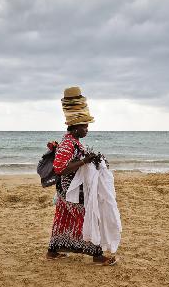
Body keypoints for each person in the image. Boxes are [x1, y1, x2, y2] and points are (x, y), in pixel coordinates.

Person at [46, 87, 117, 266]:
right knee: (88, 217)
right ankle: (97, 255)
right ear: (75, 127)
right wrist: (84, 161)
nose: (87, 129)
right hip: (70, 190)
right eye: (84, 126)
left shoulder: (73, 141)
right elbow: (59, 168)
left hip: (69, 189)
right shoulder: (68, 144)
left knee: (64, 218)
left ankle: (52, 251)